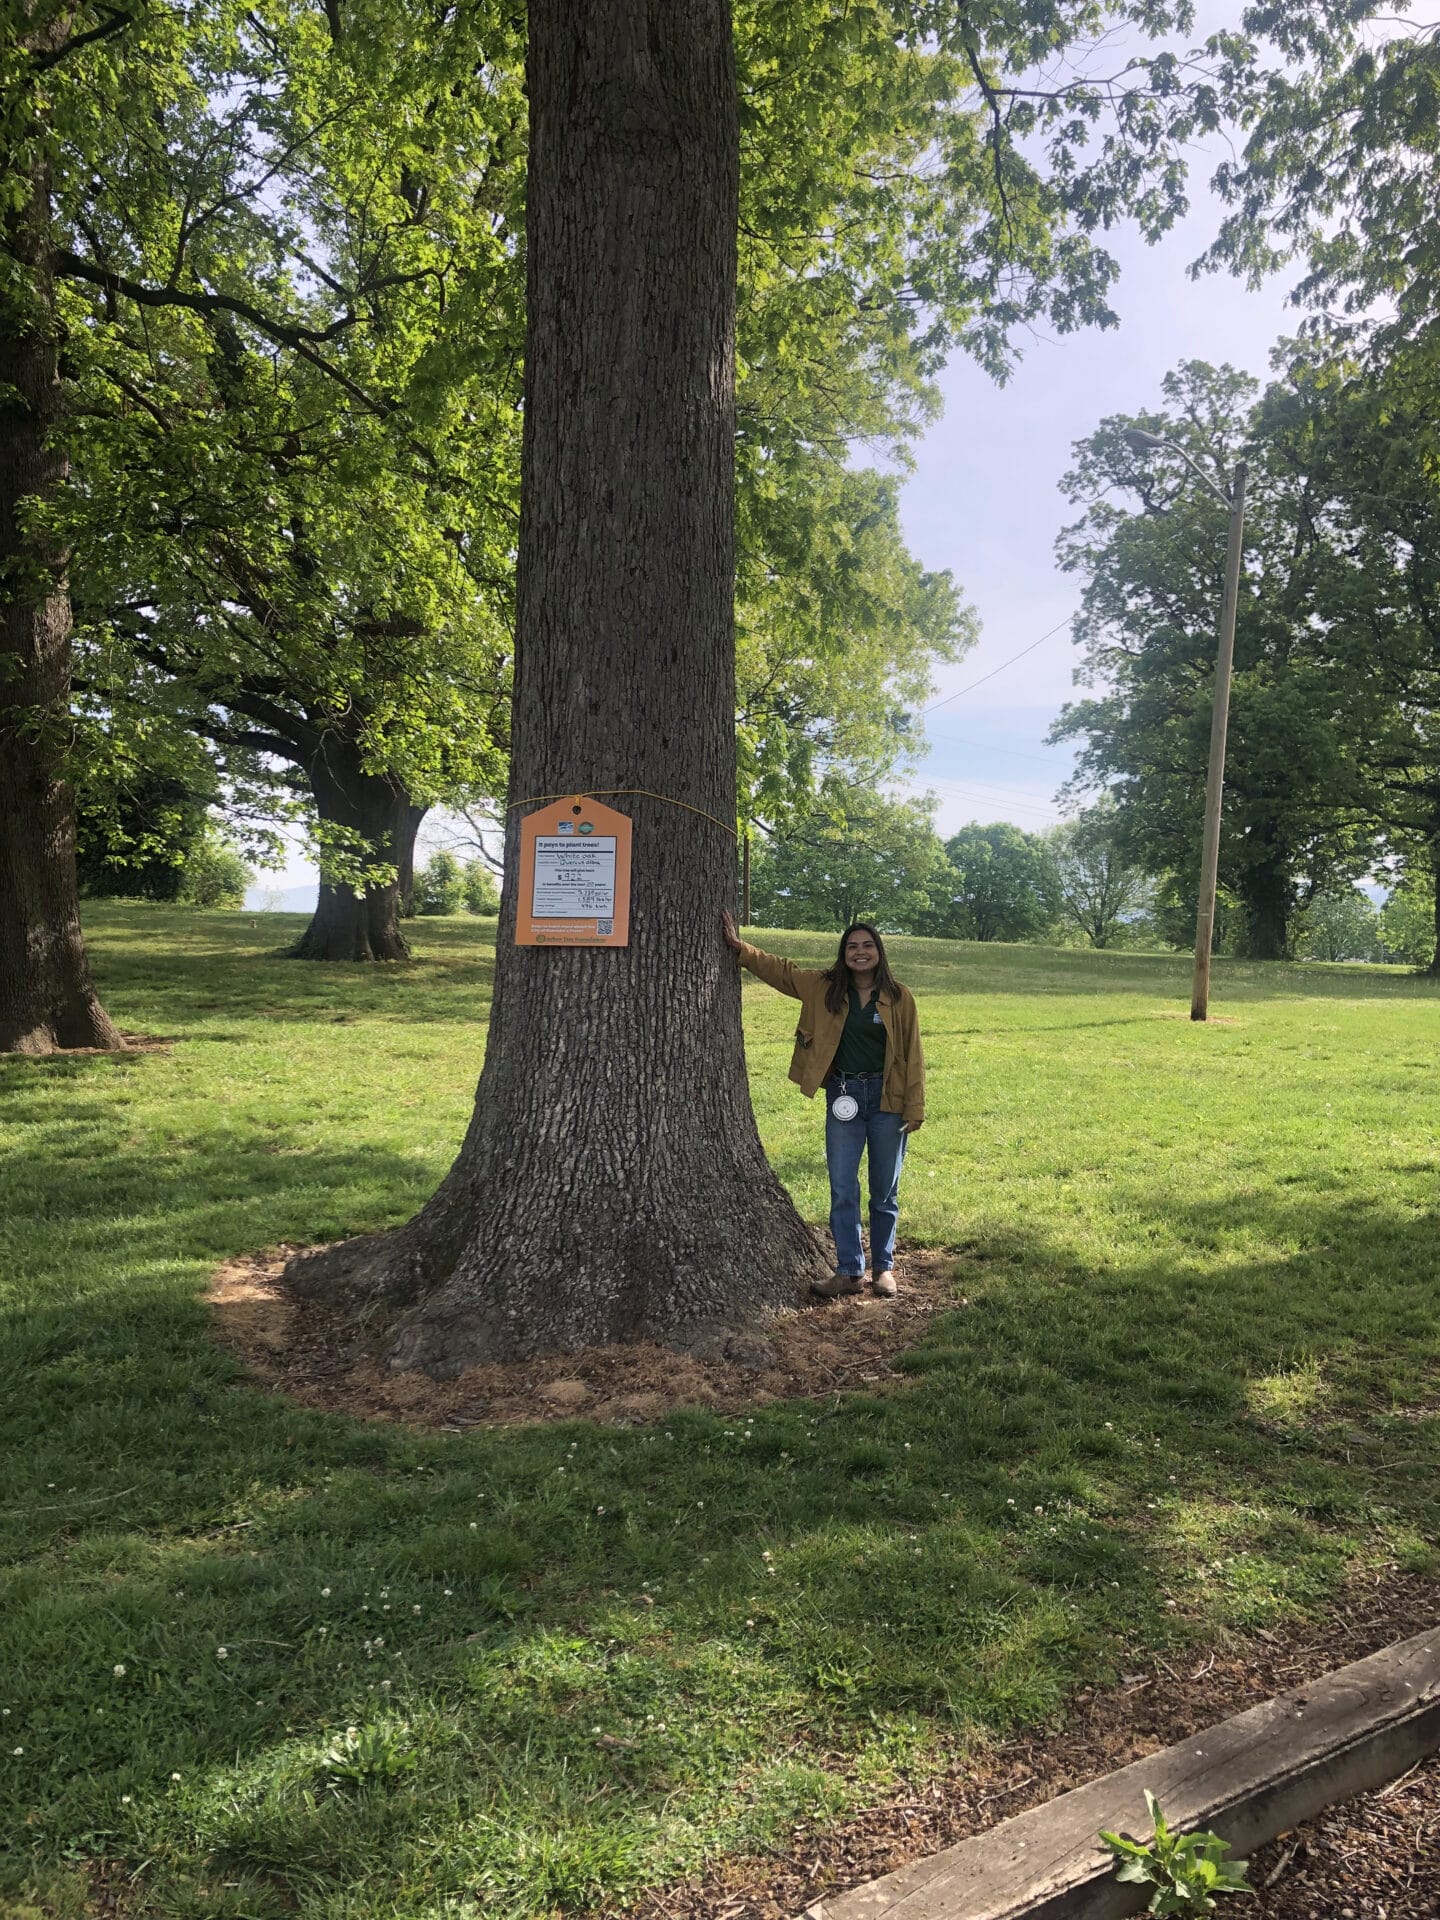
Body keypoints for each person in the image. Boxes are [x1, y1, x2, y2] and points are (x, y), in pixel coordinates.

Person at [721, 912, 924, 1299]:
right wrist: (741, 949)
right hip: (843, 1097)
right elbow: (783, 971)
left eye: (867, 945)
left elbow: (913, 1054)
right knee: (842, 1186)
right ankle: (849, 1271)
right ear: (843, 953)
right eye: (852, 946)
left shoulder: (899, 997)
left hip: (888, 1100)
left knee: (885, 1191)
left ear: (878, 952)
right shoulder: (823, 988)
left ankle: (883, 1268)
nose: (859, 952)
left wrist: (914, 1107)